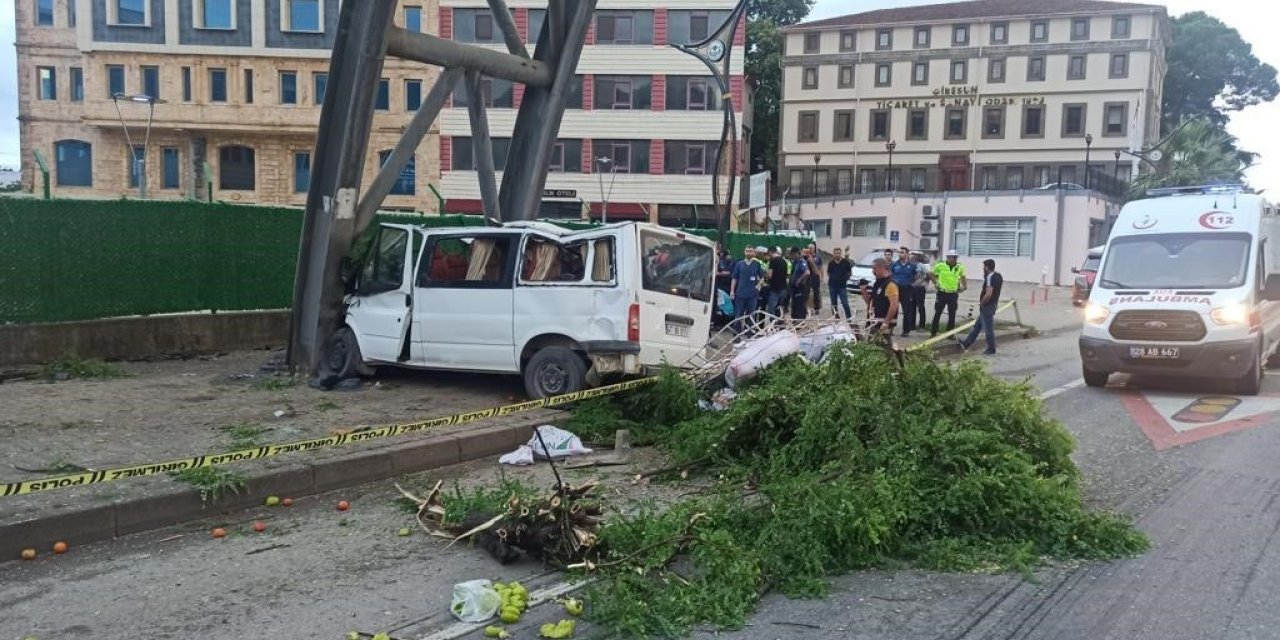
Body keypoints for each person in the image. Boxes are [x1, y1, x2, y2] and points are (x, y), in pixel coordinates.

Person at [958, 259, 1003, 355]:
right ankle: (966, 344)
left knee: (988, 328)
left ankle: (991, 348)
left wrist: (982, 303)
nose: (983, 268)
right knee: (977, 327)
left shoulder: (990, 277)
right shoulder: (998, 276)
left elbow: (989, 293)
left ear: (987, 267)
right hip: (993, 304)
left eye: (984, 266)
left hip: (987, 306)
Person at [930, 250, 967, 336]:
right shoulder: (940, 265)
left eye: (955, 257)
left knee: (952, 314)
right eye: (952, 257)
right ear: (947, 257)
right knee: (938, 313)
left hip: (953, 294)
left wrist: (965, 287)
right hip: (942, 293)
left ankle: (950, 334)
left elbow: (963, 277)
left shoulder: (960, 267)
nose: (953, 259)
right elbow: (931, 273)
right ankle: (933, 332)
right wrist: (935, 283)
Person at [862, 258, 899, 338]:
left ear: (881, 268)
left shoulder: (890, 284)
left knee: (883, 347)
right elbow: (870, 303)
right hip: (874, 322)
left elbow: (894, 305)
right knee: (872, 347)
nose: (873, 272)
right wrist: (863, 290)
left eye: (874, 269)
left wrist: (886, 322)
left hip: (883, 323)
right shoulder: (877, 283)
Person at [730, 246, 764, 331]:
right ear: (744, 252)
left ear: (754, 253)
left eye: (750, 251)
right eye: (747, 251)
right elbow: (734, 278)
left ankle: (749, 334)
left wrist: (758, 286)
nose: (748, 253)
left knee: (751, 315)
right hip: (740, 294)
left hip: (752, 295)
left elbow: (762, 278)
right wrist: (732, 291)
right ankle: (736, 334)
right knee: (738, 315)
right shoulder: (739, 264)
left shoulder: (757, 264)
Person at [888, 247, 919, 336]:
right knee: (893, 309)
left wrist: (913, 284)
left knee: (907, 310)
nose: (900, 254)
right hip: (895, 289)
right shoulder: (895, 264)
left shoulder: (912, 265)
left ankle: (906, 331)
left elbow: (917, 276)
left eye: (902, 252)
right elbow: (890, 274)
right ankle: (890, 330)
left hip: (907, 290)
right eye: (899, 253)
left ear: (906, 254)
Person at [827, 247, 853, 319]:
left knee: (845, 303)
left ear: (841, 254)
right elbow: (829, 273)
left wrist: (844, 280)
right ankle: (836, 318)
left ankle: (849, 318)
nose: (837, 254)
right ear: (833, 254)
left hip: (842, 286)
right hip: (832, 286)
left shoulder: (845, 262)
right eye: (836, 253)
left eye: (839, 253)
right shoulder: (831, 263)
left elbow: (849, 273)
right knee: (833, 304)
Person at [766, 247, 790, 317]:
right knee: (779, 308)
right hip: (783, 288)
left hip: (774, 289)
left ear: (770, 252)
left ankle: (773, 325)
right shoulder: (784, 261)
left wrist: (765, 275)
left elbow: (770, 275)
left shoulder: (772, 261)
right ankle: (780, 324)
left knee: (772, 309)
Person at [788, 246, 810, 320]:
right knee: (794, 307)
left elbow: (807, 272)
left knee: (799, 308)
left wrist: (799, 280)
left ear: (797, 254)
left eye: (793, 255)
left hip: (800, 288)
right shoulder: (795, 262)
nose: (792, 257)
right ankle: (795, 323)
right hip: (794, 288)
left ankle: (800, 324)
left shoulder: (802, 262)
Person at [910, 253, 929, 330]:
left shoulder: (921, 265)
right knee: (912, 307)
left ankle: (922, 325)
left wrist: (923, 284)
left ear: (917, 257)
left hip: (920, 288)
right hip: (912, 288)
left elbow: (926, 276)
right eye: (911, 255)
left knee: (921, 306)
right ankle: (912, 325)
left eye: (914, 256)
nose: (912, 257)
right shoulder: (910, 265)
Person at [807, 244, 824, 314]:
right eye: (809, 248)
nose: (810, 249)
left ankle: (817, 308)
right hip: (808, 277)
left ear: (814, 249)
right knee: (809, 293)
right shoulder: (806, 257)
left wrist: (821, 277)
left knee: (816, 293)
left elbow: (821, 267)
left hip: (816, 277)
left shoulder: (818, 257)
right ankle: (809, 308)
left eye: (812, 248)